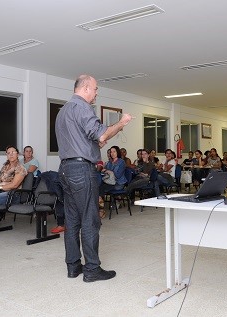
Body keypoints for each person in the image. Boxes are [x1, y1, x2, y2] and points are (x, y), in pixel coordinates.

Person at [55, 74, 132, 282]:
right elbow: (102, 135)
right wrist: (122, 123)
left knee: (72, 220)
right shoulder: (83, 107)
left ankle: (73, 266)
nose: (97, 92)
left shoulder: (62, 111)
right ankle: (91, 269)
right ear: (86, 88)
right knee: (90, 220)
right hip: (81, 170)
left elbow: (82, 140)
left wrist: (93, 146)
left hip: (65, 169)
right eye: (96, 89)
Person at [98, 146, 127, 219]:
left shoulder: (121, 162)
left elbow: (118, 175)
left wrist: (109, 171)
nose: (112, 153)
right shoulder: (109, 162)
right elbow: (105, 173)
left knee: (101, 188)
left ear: (117, 152)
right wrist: (105, 171)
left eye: (114, 151)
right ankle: (99, 208)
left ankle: (101, 210)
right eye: (111, 152)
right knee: (98, 186)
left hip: (118, 183)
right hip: (110, 181)